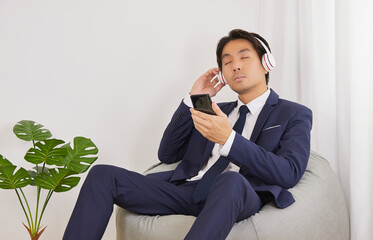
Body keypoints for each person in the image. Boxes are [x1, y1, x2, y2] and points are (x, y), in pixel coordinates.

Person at [63, 29, 312, 240]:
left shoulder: (293, 113)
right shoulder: (215, 109)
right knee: (102, 174)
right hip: (187, 189)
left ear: (266, 62)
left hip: (236, 193)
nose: (235, 65)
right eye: (227, 62)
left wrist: (229, 140)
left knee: (231, 180)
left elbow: (289, 172)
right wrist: (194, 99)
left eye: (244, 57)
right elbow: (168, 152)